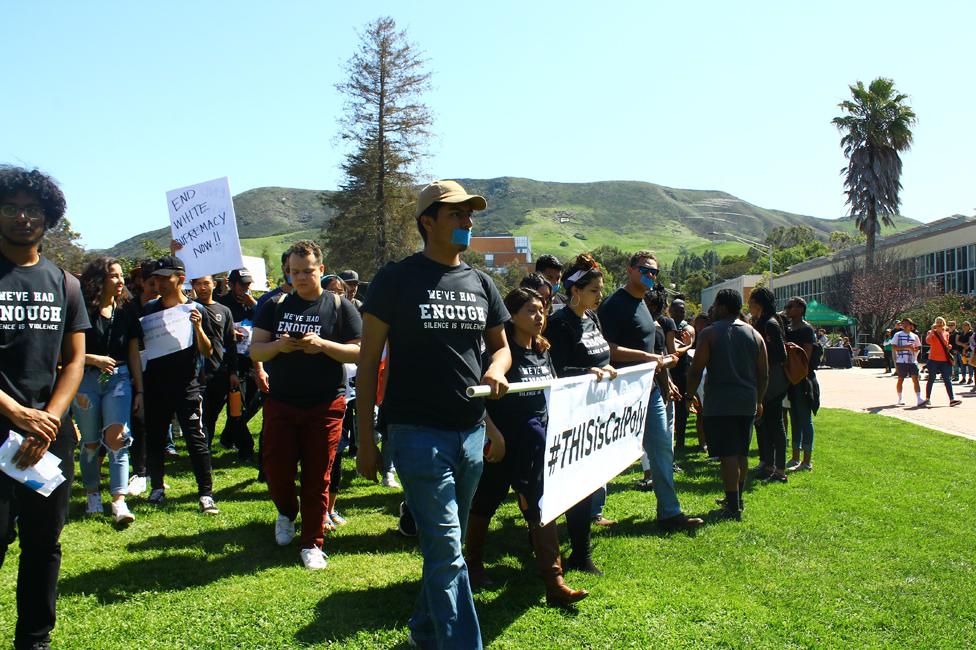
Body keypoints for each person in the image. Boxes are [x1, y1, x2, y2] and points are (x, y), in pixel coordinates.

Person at [356, 180, 510, 650]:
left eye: (469, 214)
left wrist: (495, 369)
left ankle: (423, 633)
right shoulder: (397, 279)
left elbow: (501, 349)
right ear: (428, 222)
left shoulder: (482, 283)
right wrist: (366, 439)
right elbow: (367, 363)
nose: (468, 222)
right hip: (415, 432)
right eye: (457, 215)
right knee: (446, 550)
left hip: (469, 433)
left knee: (449, 551)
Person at [0, 167, 89, 650]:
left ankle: (34, 639)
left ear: (48, 217)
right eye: (10, 207)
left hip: (48, 438)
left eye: (32, 209)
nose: (22, 217)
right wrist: (16, 412)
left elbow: (74, 360)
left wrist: (48, 419)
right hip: (3, 429)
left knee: (43, 545)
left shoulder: (66, 284)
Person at [464, 287, 588, 606]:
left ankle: (554, 580)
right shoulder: (497, 355)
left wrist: (593, 374)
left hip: (535, 443)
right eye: (531, 310)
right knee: (485, 503)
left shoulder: (543, 350)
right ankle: (472, 565)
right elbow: (479, 400)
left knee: (540, 503)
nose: (539, 315)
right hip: (502, 443)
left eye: (542, 309)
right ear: (512, 316)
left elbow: (557, 390)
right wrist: (495, 436)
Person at [251, 240, 362, 570]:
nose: (300, 277)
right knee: (275, 469)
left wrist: (323, 345)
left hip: (325, 402)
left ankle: (313, 542)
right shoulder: (274, 305)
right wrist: (280, 346)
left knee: (318, 474)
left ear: (321, 270)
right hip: (282, 401)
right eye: (294, 271)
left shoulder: (341, 307)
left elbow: (358, 350)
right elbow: (256, 351)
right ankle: (286, 512)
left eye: (307, 271)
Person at [596, 251, 702, 532]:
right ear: (630, 270)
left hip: (650, 388)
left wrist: (663, 370)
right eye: (645, 270)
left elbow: (651, 348)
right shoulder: (612, 305)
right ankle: (592, 511)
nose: (650, 276)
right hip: (618, 390)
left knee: (662, 448)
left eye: (654, 272)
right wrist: (648, 358)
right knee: (605, 453)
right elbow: (607, 347)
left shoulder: (644, 304)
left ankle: (669, 512)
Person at [546, 253, 618, 574]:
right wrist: (586, 370)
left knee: (591, 479)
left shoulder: (593, 318)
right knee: (578, 482)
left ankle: (579, 546)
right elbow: (554, 371)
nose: (599, 295)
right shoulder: (560, 324)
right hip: (571, 413)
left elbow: (602, 353)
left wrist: (605, 368)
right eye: (594, 290)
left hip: (597, 409)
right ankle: (580, 552)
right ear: (576, 290)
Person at [142, 256, 219, 513]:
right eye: (157, 278)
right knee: (154, 437)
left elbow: (208, 351)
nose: (160, 283)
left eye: (166, 278)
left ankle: (205, 493)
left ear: (181, 279)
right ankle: (157, 487)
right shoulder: (149, 309)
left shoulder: (196, 310)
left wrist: (197, 328)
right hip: (155, 384)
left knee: (195, 437)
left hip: (187, 385)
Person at [73, 256, 144, 524]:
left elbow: (134, 353)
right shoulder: (81, 310)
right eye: (113, 275)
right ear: (98, 280)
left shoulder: (126, 311)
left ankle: (119, 501)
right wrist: (93, 359)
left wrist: (139, 390)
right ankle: (92, 493)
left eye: (121, 275)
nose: (120, 280)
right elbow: (66, 353)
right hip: (85, 380)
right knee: (90, 441)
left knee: (118, 437)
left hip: (120, 379)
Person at [688, 289, 767, 520]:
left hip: (720, 402)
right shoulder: (755, 335)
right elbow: (763, 375)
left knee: (728, 455)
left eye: (715, 305)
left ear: (722, 306)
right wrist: (759, 400)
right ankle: (736, 498)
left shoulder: (710, 333)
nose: (712, 309)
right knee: (741, 452)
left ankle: (732, 507)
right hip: (747, 401)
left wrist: (689, 395)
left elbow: (696, 370)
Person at [191, 275, 239, 447]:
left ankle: (206, 447)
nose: (202, 287)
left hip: (218, 370)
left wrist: (233, 371)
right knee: (199, 415)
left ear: (214, 284)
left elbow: (231, 343)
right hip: (194, 372)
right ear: (193, 285)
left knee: (212, 414)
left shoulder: (224, 311)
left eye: (206, 283)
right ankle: (201, 449)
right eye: (198, 284)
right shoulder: (189, 309)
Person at [747, 287, 788, 483]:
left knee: (775, 424)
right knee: (762, 424)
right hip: (762, 380)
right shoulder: (760, 322)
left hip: (773, 382)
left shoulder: (771, 324)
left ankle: (779, 470)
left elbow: (781, 355)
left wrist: (761, 358)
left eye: (751, 302)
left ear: (759, 304)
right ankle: (767, 463)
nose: (748, 306)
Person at [784, 297, 819, 471]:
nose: (787, 309)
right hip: (791, 379)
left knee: (805, 419)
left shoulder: (806, 329)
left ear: (800, 309)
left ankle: (807, 461)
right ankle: (795, 457)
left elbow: (805, 356)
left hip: (803, 379)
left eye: (791, 306)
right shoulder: (788, 328)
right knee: (795, 418)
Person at [922, 317, 961, 407]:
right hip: (933, 359)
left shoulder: (946, 333)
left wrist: (949, 346)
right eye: (937, 322)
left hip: (944, 360)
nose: (939, 324)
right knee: (931, 378)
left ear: (943, 324)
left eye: (941, 322)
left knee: (947, 380)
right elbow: (928, 341)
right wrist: (932, 330)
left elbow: (946, 344)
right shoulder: (931, 332)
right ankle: (927, 399)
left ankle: (952, 399)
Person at [890, 317, 922, 406]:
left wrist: (915, 350)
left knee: (915, 379)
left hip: (912, 360)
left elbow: (918, 348)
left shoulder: (915, 336)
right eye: (903, 323)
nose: (904, 325)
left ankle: (919, 399)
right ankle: (900, 398)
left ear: (911, 325)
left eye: (906, 323)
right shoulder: (897, 335)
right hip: (901, 360)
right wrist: (906, 347)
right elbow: (894, 347)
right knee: (901, 379)